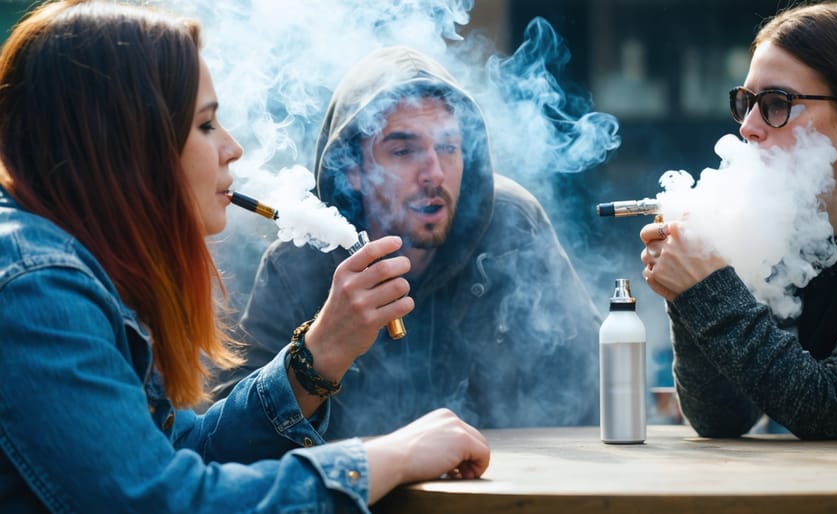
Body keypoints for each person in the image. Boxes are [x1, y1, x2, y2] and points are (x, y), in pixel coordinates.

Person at [0, 1, 490, 512]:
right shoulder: (36, 289)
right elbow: (161, 502)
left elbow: (186, 453)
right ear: (125, 143)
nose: (232, 148)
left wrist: (317, 355)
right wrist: (390, 456)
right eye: (207, 124)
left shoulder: (69, 271)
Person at [213, 46, 601, 439]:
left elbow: (597, 384)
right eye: (404, 150)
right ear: (352, 170)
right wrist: (319, 349)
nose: (434, 172)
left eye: (449, 147)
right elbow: (228, 438)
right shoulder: (297, 266)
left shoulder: (512, 229)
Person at [641, 2, 837, 440]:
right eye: (745, 103)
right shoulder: (777, 225)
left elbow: (826, 407)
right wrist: (688, 285)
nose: (749, 127)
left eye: (777, 104)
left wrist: (709, 286)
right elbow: (722, 418)